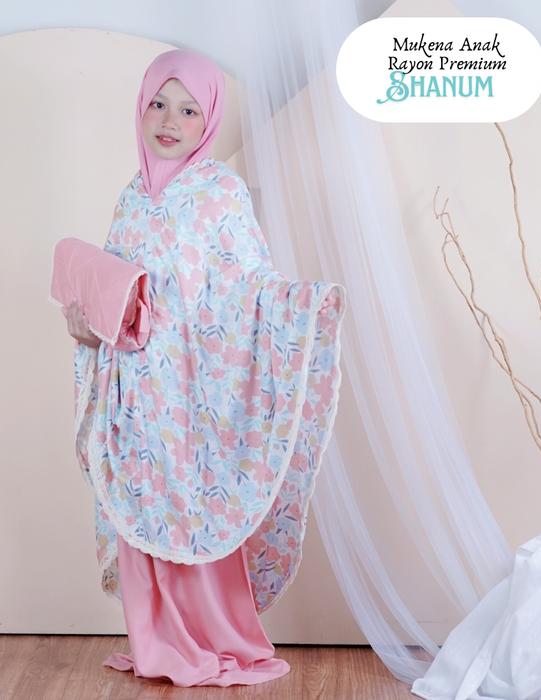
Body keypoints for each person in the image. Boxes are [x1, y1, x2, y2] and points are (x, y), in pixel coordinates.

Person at [62, 48, 347, 687]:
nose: (170, 121)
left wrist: (301, 306)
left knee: (193, 505)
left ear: (209, 118)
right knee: (140, 501)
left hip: (193, 390)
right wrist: (85, 320)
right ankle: (156, 644)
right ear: (140, 107)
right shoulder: (132, 197)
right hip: (133, 389)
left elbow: (250, 283)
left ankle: (213, 640)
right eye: (159, 104)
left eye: (189, 110)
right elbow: (114, 286)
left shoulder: (220, 193)